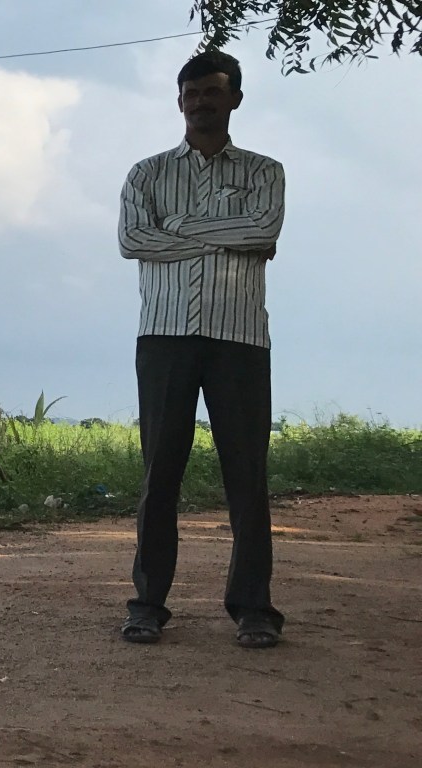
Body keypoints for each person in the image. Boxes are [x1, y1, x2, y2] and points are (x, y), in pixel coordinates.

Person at [116, 50, 286, 650]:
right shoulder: (146, 174)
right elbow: (132, 240)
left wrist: (178, 228)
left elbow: (264, 230)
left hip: (239, 339)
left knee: (247, 476)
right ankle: (147, 604)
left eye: (212, 92)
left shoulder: (265, 172)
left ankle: (254, 609)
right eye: (191, 93)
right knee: (159, 474)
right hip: (164, 337)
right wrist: (226, 236)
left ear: (234, 98)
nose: (201, 102)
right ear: (179, 101)